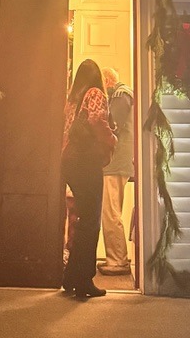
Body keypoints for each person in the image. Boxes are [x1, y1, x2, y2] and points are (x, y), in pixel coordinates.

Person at [61, 58, 115, 300]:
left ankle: (71, 277)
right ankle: (84, 280)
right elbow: (96, 121)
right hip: (86, 162)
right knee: (91, 221)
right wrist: (112, 139)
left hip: (69, 161)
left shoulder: (72, 99)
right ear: (97, 77)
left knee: (83, 220)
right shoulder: (95, 93)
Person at [99, 67, 134, 275]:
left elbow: (112, 125)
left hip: (114, 163)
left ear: (107, 81)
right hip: (118, 163)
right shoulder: (124, 95)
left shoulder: (120, 96)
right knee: (111, 212)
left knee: (110, 213)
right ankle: (115, 258)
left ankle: (117, 261)